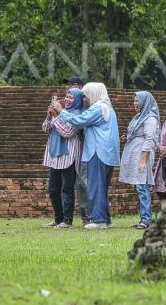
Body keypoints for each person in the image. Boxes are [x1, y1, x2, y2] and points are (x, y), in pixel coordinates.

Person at [52, 82, 119, 230]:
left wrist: (61, 111)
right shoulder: (108, 108)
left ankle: (99, 219)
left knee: (95, 186)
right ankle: (105, 219)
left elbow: (78, 121)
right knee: (102, 188)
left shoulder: (97, 109)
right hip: (108, 153)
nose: (84, 100)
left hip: (97, 151)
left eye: (86, 96)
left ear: (93, 94)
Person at [42, 87, 84, 229]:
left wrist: (57, 115)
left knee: (67, 189)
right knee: (53, 189)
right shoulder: (59, 114)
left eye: (71, 98)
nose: (67, 99)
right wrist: (49, 117)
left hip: (69, 156)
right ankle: (58, 219)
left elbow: (67, 132)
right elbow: (45, 129)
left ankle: (67, 221)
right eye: (66, 97)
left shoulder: (78, 115)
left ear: (77, 100)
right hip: (55, 156)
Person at [120, 91, 159, 230]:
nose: (135, 103)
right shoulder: (139, 117)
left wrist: (143, 160)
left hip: (142, 156)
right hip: (135, 154)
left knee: (143, 187)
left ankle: (146, 220)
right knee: (139, 187)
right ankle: (143, 218)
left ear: (145, 102)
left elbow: (149, 139)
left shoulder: (150, 119)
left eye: (138, 101)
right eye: (135, 101)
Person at [62, 75, 90, 226]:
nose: (68, 87)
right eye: (67, 85)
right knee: (69, 185)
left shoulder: (86, 106)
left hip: (85, 148)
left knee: (82, 183)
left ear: (81, 87)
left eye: (72, 85)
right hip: (73, 150)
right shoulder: (65, 107)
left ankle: (88, 217)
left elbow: (72, 129)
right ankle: (64, 218)